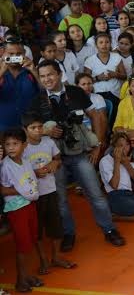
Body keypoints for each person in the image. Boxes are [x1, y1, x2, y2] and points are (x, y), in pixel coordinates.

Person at [27, 61, 120, 250]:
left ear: (60, 74)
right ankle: (69, 233)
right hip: (55, 159)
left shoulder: (75, 92)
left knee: (95, 194)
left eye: (50, 75)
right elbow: (28, 130)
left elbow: (96, 116)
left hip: (79, 153)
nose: (47, 79)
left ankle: (109, 229)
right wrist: (47, 132)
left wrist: (98, 146)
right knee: (61, 200)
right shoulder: (37, 101)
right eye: (43, 76)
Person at [21, 113, 77, 275]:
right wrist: (34, 173)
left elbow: (57, 158)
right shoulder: (23, 149)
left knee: (56, 225)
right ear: (25, 130)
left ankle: (56, 256)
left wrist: (54, 163)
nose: (38, 130)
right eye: (33, 128)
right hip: (33, 195)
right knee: (37, 229)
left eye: (40, 127)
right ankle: (43, 259)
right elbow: (18, 169)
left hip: (51, 190)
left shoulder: (48, 142)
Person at [0, 128, 42, 292]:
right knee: (22, 245)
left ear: (24, 145)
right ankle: (20, 280)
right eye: (7, 144)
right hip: (17, 209)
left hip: (29, 205)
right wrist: (22, 191)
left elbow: (28, 182)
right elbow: (3, 190)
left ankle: (26, 275)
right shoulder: (5, 166)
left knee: (29, 242)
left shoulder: (25, 162)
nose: (11, 147)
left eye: (15, 144)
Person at [0, 39, 40, 130]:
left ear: (24, 53)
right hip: (3, 127)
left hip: (29, 128)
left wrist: (34, 71)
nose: (15, 56)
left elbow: (46, 91)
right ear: (3, 53)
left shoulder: (30, 71)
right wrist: (1, 71)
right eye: (11, 53)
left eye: (19, 53)